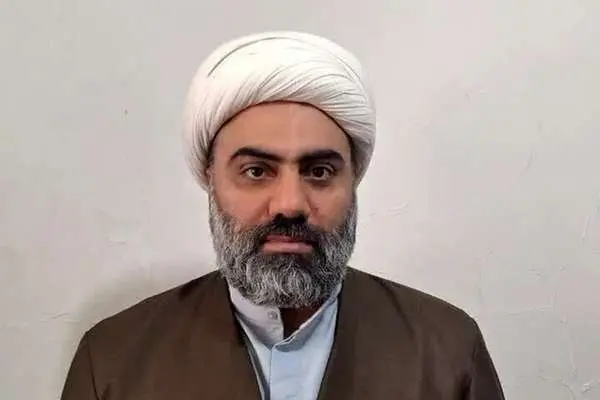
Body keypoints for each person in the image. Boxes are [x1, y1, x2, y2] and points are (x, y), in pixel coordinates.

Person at [61, 31, 505, 400]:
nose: (289, 203)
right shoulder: (114, 363)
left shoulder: (447, 353)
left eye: (319, 172)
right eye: (256, 171)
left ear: (353, 181)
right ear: (211, 179)